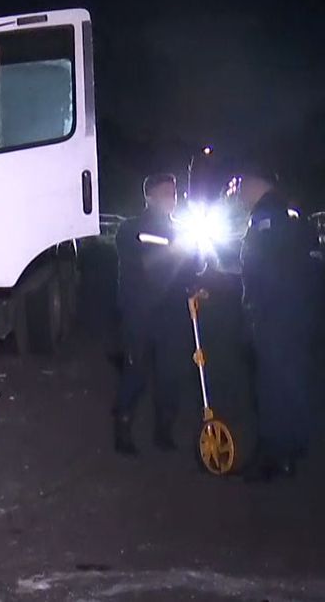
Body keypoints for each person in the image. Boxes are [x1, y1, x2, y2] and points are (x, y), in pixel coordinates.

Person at [231, 163, 320, 481]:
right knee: (293, 380)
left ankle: (273, 456)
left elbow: (260, 268)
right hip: (299, 313)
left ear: (257, 183)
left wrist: (254, 309)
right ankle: (294, 447)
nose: (239, 191)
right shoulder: (293, 215)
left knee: (271, 386)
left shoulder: (265, 217)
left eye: (242, 183)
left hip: (275, 314)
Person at [113, 173, 197, 455]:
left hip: (171, 317)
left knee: (170, 375)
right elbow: (145, 265)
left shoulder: (182, 230)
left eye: (174, 193)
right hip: (140, 313)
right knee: (135, 373)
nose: (171, 199)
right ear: (148, 196)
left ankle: (164, 430)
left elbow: (194, 265)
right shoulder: (131, 229)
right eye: (164, 193)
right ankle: (123, 429)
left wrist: (196, 280)